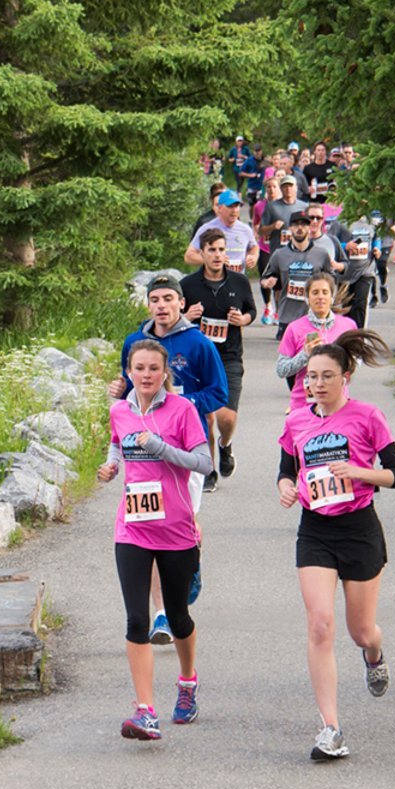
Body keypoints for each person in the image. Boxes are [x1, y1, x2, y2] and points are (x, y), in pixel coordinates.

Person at [276, 331, 395, 760]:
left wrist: (358, 472)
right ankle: (330, 728)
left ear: (346, 376)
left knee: (360, 630)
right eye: (312, 377)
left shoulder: (368, 416)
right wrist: (287, 487)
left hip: (359, 529)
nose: (318, 384)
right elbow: (287, 468)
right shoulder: (296, 420)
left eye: (327, 376)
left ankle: (374, 652)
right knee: (319, 624)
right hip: (315, 530)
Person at [97, 339, 212, 740]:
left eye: (153, 369)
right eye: (139, 368)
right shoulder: (119, 410)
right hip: (132, 527)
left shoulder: (183, 411)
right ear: (129, 371)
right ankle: (145, 710)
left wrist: (162, 449)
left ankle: (186, 681)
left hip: (176, 529)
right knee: (136, 619)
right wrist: (112, 466)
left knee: (178, 618)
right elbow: (117, 442)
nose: (145, 375)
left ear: (165, 373)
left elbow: (204, 463)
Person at [112, 274, 228, 641]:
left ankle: (189, 562)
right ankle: (162, 613)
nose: (161, 305)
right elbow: (129, 388)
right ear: (148, 304)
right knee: (146, 522)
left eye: (168, 298)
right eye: (155, 299)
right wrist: (120, 389)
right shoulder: (135, 341)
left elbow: (219, 392)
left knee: (183, 517)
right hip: (143, 455)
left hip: (183, 445)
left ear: (181, 303)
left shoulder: (198, 343)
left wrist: (182, 406)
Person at [182, 226, 256, 481]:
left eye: (221, 250)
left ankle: (226, 445)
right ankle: (209, 469)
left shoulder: (240, 282)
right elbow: (173, 319)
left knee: (225, 417)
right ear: (202, 253)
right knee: (205, 420)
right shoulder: (188, 285)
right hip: (198, 360)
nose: (216, 255)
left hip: (229, 357)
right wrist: (186, 317)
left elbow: (252, 312)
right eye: (211, 250)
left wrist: (242, 319)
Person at [261, 210, 338, 339]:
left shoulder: (322, 254)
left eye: (304, 225)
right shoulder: (279, 254)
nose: (300, 228)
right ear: (290, 228)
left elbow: (332, 282)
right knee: (288, 357)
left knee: (313, 355)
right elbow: (265, 278)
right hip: (287, 317)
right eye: (296, 225)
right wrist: (267, 282)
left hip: (314, 316)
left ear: (309, 228)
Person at [275, 272, 356, 395]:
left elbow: (357, 360)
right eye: (315, 292)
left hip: (337, 402)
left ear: (332, 298)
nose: (320, 297)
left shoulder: (347, 325)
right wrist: (304, 355)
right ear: (307, 298)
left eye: (325, 292)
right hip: (304, 403)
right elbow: (281, 370)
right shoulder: (295, 328)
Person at [186, 190, 260, 280]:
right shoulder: (207, 229)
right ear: (220, 208)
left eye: (236, 206)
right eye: (230, 206)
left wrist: (253, 257)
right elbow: (189, 256)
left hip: (238, 282)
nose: (234, 210)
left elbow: (254, 247)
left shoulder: (245, 230)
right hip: (212, 281)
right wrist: (211, 260)